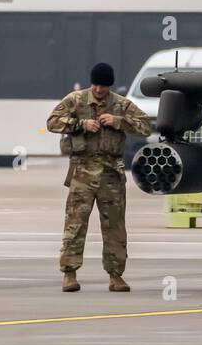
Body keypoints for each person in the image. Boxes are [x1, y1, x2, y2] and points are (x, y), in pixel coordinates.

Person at [46, 62, 151, 293]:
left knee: (114, 227)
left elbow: (146, 126)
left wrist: (118, 121)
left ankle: (116, 275)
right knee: (75, 224)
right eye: (95, 85)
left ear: (109, 85)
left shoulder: (121, 104)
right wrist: (79, 124)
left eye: (103, 86)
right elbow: (52, 122)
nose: (98, 89)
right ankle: (69, 273)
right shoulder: (76, 100)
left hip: (111, 174)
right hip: (82, 172)